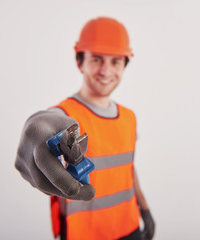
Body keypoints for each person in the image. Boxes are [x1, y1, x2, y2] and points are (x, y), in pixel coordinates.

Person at [15, 17, 155, 240]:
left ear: (124, 65)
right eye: (96, 59)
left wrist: (145, 209)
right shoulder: (67, 116)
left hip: (129, 228)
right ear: (80, 62)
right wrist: (35, 125)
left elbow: (127, 168)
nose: (106, 71)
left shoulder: (129, 117)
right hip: (85, 234)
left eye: (115, 61)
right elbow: (48, 121)